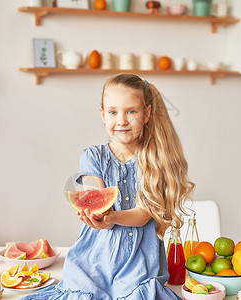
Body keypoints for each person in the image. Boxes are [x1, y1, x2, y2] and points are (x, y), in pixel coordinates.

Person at [21, 74, 194, 300]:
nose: (121, 120)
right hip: (94, 255)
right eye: (113, 112)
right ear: (103, 115)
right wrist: (97, 214)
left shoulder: (154, 159)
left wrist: (111, 217)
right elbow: (97, 194)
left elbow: (143, 215)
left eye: (131, 111)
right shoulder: (92, 156)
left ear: (147, 113)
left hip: (138, 259)